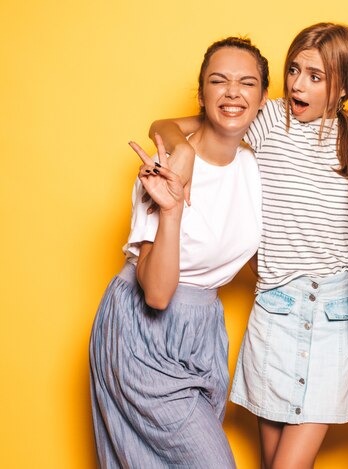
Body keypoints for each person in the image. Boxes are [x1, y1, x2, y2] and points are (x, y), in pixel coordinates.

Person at [150, 23, 348, 469]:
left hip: (335, 314)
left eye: (316, 77)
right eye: (295, 70)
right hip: (274, 310)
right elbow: (167, 126)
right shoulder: (268, 119)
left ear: (341, 87)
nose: (298, 83)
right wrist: (178, 149)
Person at [89, 37, 269, 468]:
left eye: (246, 83)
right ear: (202, 93)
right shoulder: (165, 167)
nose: (232, 92)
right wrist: (170, 209)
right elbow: (156, 294)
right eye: (218, 81)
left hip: (202, 334)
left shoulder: (252, 166)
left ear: (263, 99)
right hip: (141, 332)